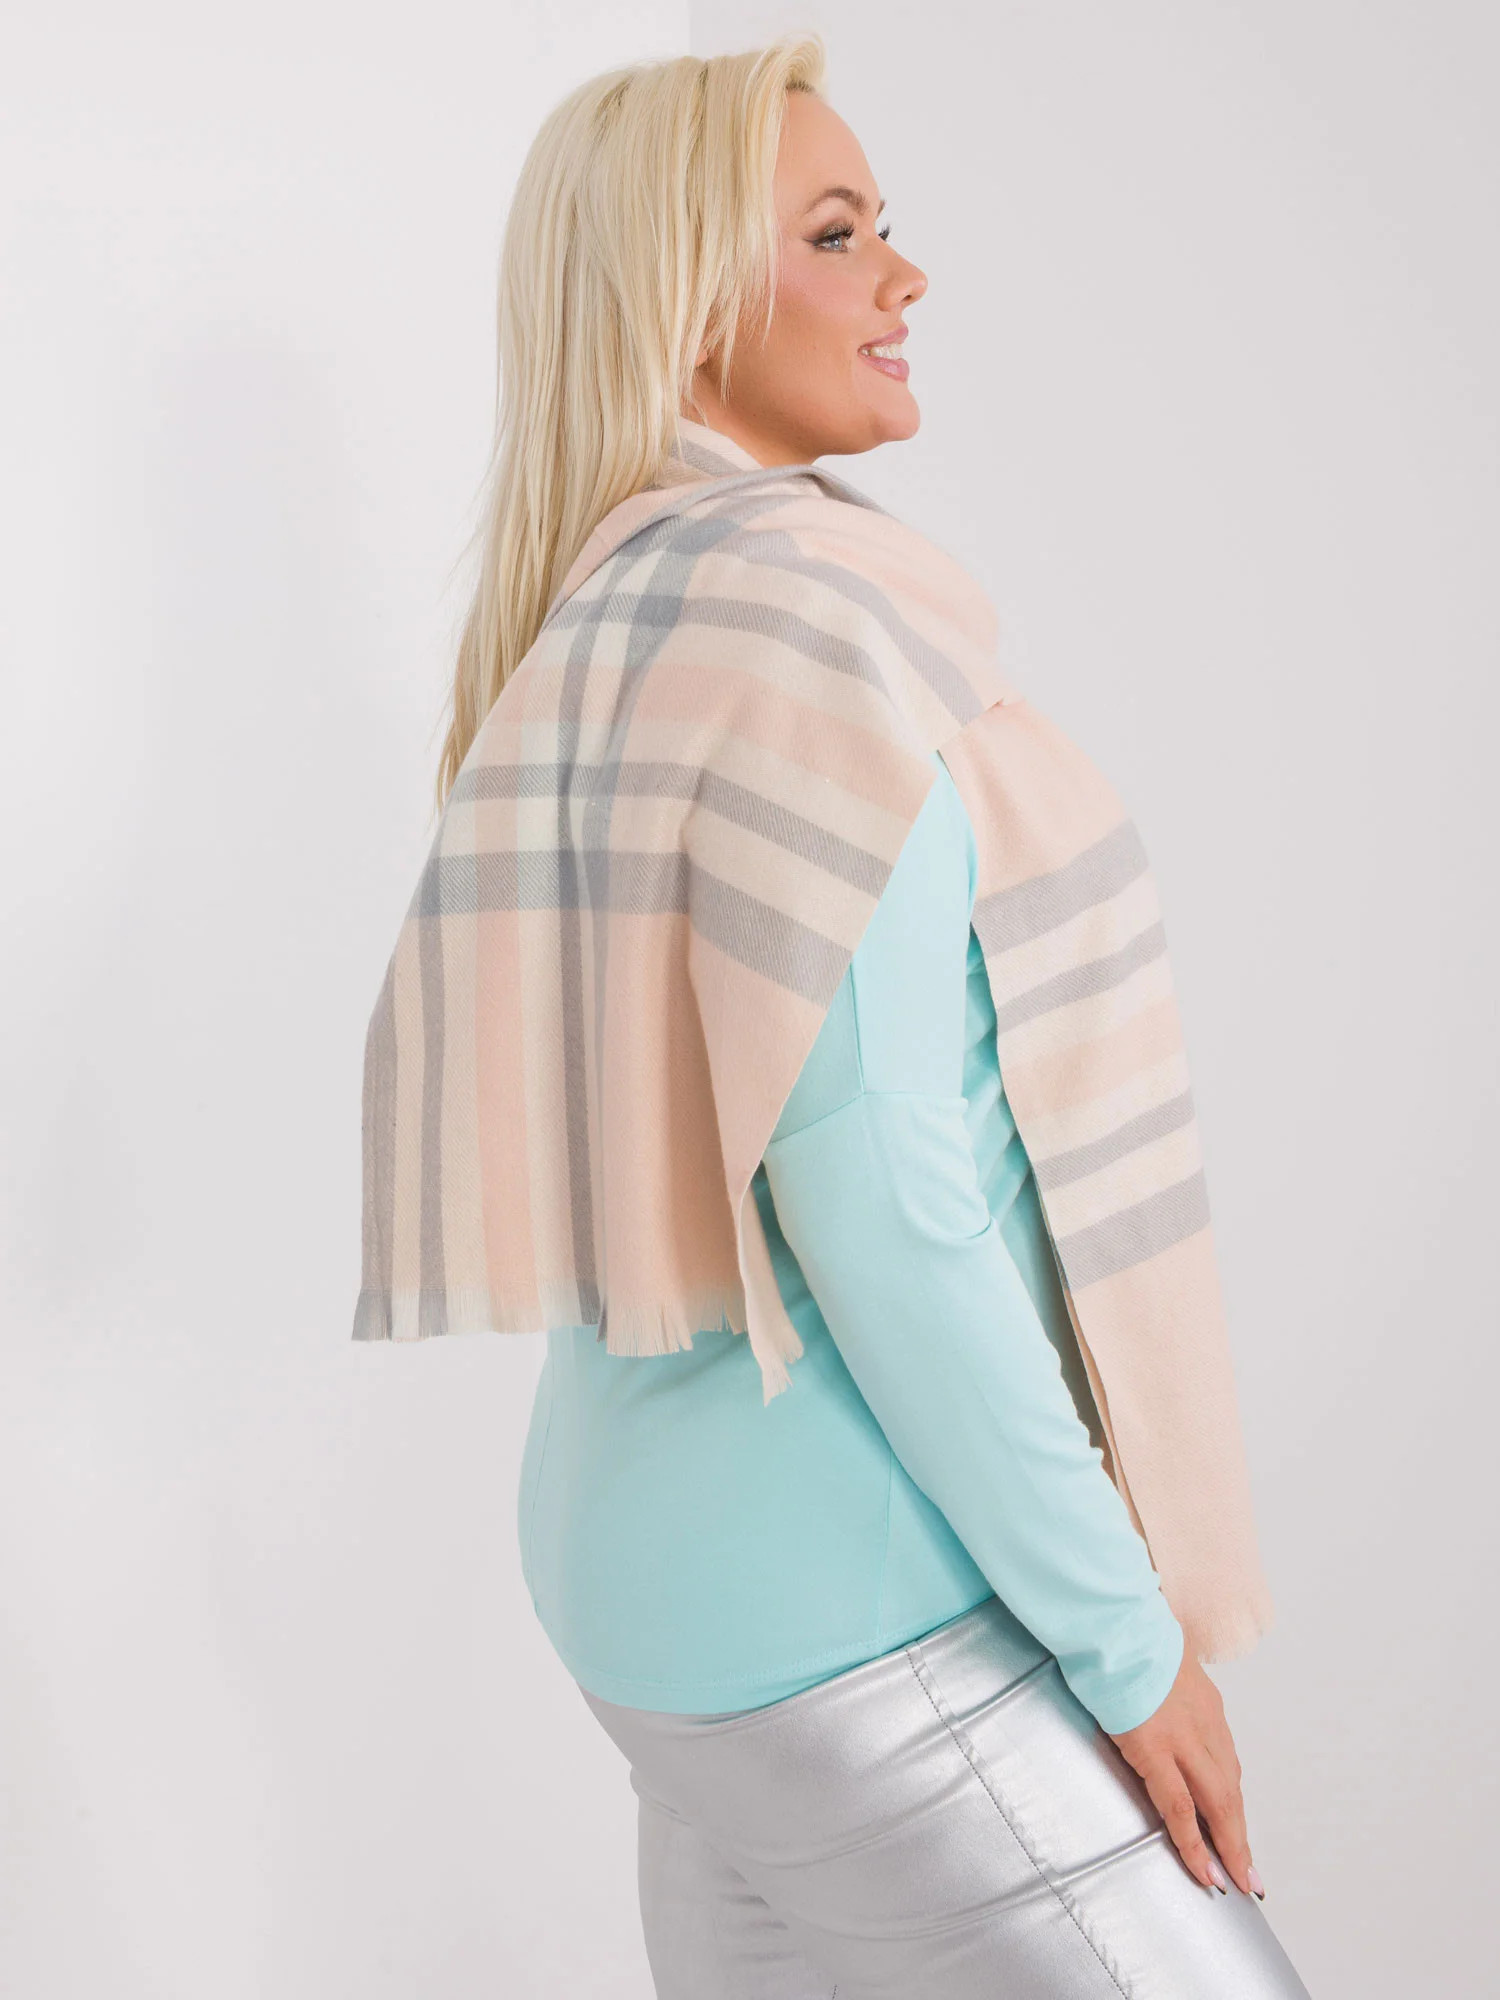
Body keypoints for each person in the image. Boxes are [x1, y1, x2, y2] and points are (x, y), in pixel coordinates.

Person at [357, 33, 1313, 1999]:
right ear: (690, 296)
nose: (904, 274)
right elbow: (882, 1197)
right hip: (864, 1603)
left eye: (884, 225)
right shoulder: (804, 627)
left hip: (652, 1602)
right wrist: (1131, 1650)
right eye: (835, 233)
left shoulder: (606, 618)